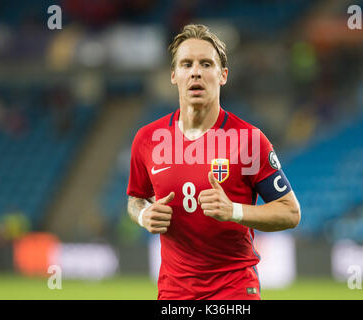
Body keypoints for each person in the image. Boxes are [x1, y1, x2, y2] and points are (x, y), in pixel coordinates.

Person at [127, 24, 301, 300]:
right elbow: (136, 198)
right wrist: (143, 214)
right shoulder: (147, 139)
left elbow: (290, 213)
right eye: (187, 64)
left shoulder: (249, 140)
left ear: (223, 75)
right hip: (173, 294)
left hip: (234, 292)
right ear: (174, 75)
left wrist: (234, 211)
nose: (196, 71)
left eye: (206, 64)